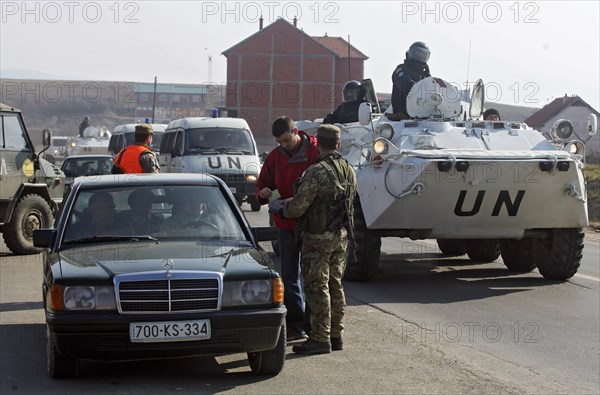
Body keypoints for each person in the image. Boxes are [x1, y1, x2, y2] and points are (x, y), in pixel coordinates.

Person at [269, 124, 357, 354]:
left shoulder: (317, 171)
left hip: (317, 238)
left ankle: (319, 339)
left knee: (317, 288)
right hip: (341, 236)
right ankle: (336, 335)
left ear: (319, 145)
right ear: (338, 144)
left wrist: (280, 209)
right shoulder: (349, 169)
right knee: (336, 286)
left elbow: (298, 207)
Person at [256, 116, 320, 341]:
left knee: (315, 277)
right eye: (279, 142)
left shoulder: (315, 152)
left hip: (312, 225)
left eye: (285, 140)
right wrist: (263, 192)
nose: (283, 145)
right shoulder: (275, 157)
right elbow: (263, 183)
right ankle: (296, 325)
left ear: (295, 131)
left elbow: (322, 186)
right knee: (289, 275)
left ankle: (316, 327)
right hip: (285, 226)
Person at [389, 41, 431, 121]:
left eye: (423, 54)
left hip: (423, 116)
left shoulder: (425, 74)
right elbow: (407, 86)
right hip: (402, 117)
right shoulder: (401, 70)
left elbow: (433, 87)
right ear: (411, 53)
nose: (420, 56)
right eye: (418, 53)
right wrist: (424, 90)